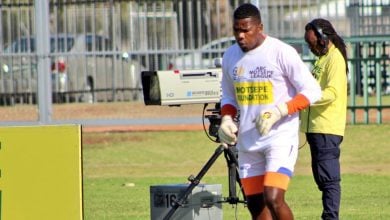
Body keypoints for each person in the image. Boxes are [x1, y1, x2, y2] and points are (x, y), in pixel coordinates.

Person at [217, 3, 321, 220]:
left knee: (273, 197)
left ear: (260, 27)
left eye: (246, 29)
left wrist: (279, 111)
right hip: (248, 141)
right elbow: (228, 96)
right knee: (255, 205)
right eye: (237, 30)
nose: (240, 35)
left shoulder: (281, 52)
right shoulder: (230, 56)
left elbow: (312, 90)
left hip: (279, 138)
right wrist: (226, 118)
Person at [300, 18, 348, 220]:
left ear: (323, 38)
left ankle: (330, 217)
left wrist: (305, 99)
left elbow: (332, 93)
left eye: (312, 43)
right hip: (315, 128)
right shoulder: (323, 59)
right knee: (322, 178)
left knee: (329, 179)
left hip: (327, 128)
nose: (311, 48)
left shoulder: (335, 59)